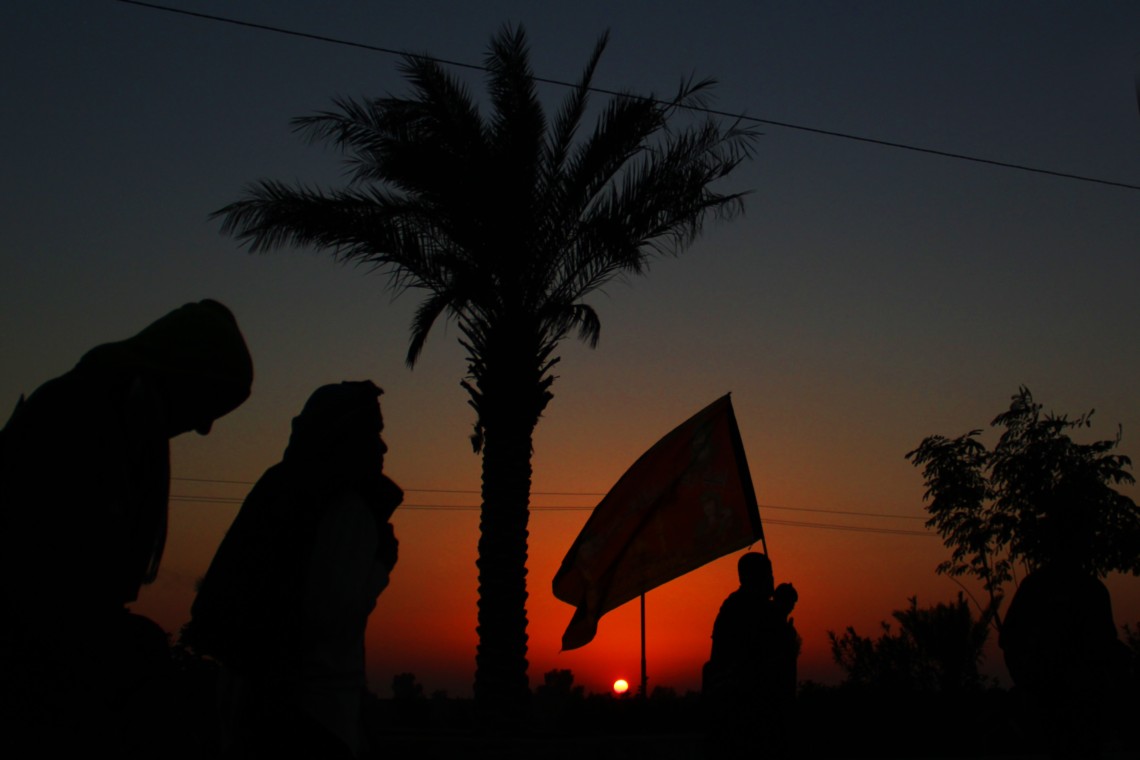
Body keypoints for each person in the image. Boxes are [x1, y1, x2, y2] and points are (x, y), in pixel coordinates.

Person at [0, 299, 253, 751]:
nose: (205, 427)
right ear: (181, 375)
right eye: (208, 402)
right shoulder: (79, 417)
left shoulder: (114, 416)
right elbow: (48, 587)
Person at [189, 381, 402, 759]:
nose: (383, 447)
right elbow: (333, 619)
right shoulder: (345, 507)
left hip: (254, 708)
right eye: (374, 434)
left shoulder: (278, 488)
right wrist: (379, 567)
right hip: (307, 721)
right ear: (345, 437)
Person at [703, 552, 799, 756]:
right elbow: (765, 658)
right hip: (749, 711)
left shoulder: (740, 606)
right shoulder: (749, 609)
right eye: (768, 574)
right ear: (753, 577)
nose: (772, 579)